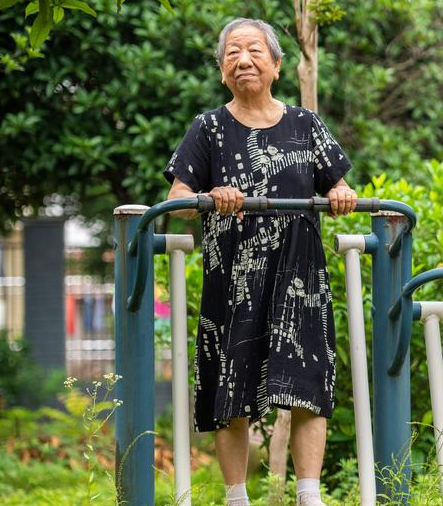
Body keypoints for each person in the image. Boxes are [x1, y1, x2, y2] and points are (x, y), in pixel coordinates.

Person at [163, 18, 357, 506]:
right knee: (231, 386)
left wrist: (339, 191)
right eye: (231, 53)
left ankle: (309, 495)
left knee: (308, 384)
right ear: (222, 71)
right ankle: (236, 497)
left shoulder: (305, 124)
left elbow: (337, 182)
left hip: (300, 277)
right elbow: (178, 199)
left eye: (253, 51)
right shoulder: (207, 128)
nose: (242, 60)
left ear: (276, 64)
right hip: (233, 278)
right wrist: (209, 195)